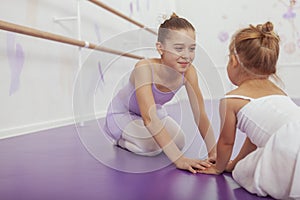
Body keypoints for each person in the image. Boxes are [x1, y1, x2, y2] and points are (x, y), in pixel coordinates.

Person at [104, 13, 216, 174]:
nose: (186, 55)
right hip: (124, 113)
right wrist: (179, 160)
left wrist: (214, 152)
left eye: (192, 48)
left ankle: (140, 138)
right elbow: (149, 117)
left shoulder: (189, 72)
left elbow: (200, 114)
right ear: (160, 48)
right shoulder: (144, 68)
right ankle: (121, 140)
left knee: (179, 141)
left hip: (153, 112)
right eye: (179, 48)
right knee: (151, 147)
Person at [199, 21, 300, 199]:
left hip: (287, 149)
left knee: (243, 171)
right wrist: (233, 163)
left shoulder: (231, 100)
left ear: (233, 61)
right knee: (245, 162)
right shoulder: (280, 92)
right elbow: (253, 138)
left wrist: (219, 167)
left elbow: (226, 142)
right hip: (293, 135)